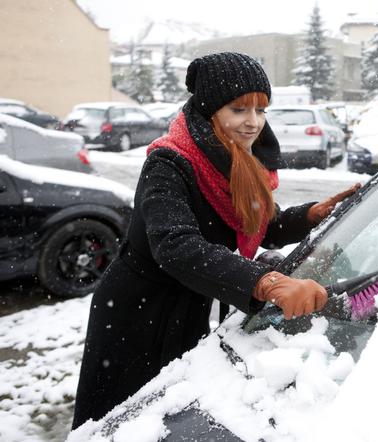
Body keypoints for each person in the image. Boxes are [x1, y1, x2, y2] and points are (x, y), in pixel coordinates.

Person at [71, 52, 359, 429]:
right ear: (210, 110)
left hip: (187, 307)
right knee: (120, 422)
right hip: (138, 316)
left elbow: (260, 222)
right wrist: (266, 282)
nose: (253, 122)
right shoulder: (169, 163)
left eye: (261, 110)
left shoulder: (236, 159)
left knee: (168, 417)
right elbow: (175, 246)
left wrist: (310, 215)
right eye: (239, 109)